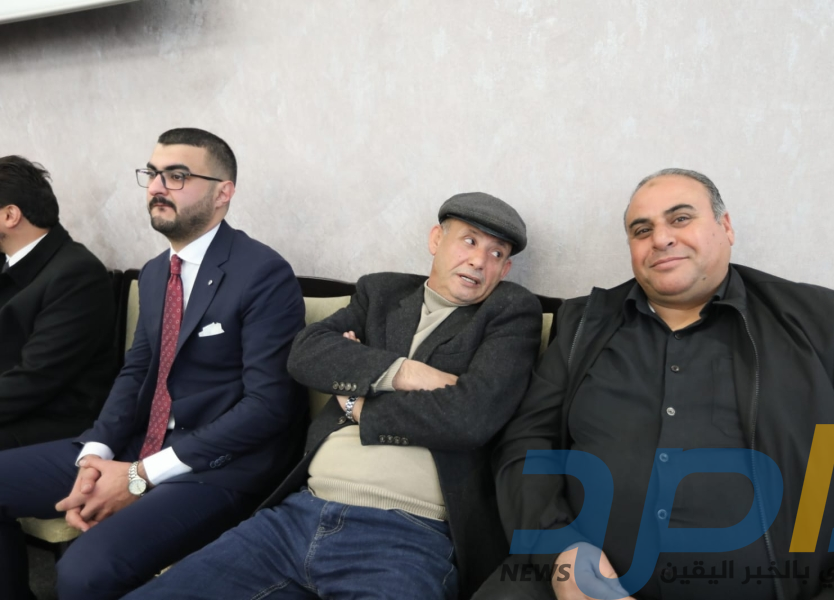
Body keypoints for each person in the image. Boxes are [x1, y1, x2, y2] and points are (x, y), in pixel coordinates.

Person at [478, 168, 834, 600]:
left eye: (680, 218)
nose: (661, 238)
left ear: (726, 227)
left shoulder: (819, 320)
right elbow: (526, 444)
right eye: (642, 230)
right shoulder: (583, 324)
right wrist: (561, 552)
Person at [125, 192, 544, 600]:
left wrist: (356, 402)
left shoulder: (510, 312)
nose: (479, 260)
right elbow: (305, 354)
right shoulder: (381, 293)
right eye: (469, 241)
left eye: (496, 253)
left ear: (505, 269)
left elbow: (469, 417)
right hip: (297, 516)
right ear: (437, 239)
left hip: (408, 534)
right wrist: (404, 372)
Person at [0, 128, 305, 600]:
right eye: (153, 173)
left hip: (215, 467)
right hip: (138, 445)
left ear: (223, 193)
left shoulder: (263, 273)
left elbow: (268, 407)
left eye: (177, 175)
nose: (158, 186)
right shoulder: (157, 270)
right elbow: (136, 372)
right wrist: (97, 453)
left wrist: (140, 475)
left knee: (83, 572)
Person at [0, 156, 117, 449]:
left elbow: (34, 380)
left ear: (10, 216)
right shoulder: (8, 260)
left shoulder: (77, 274)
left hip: (49, 423)